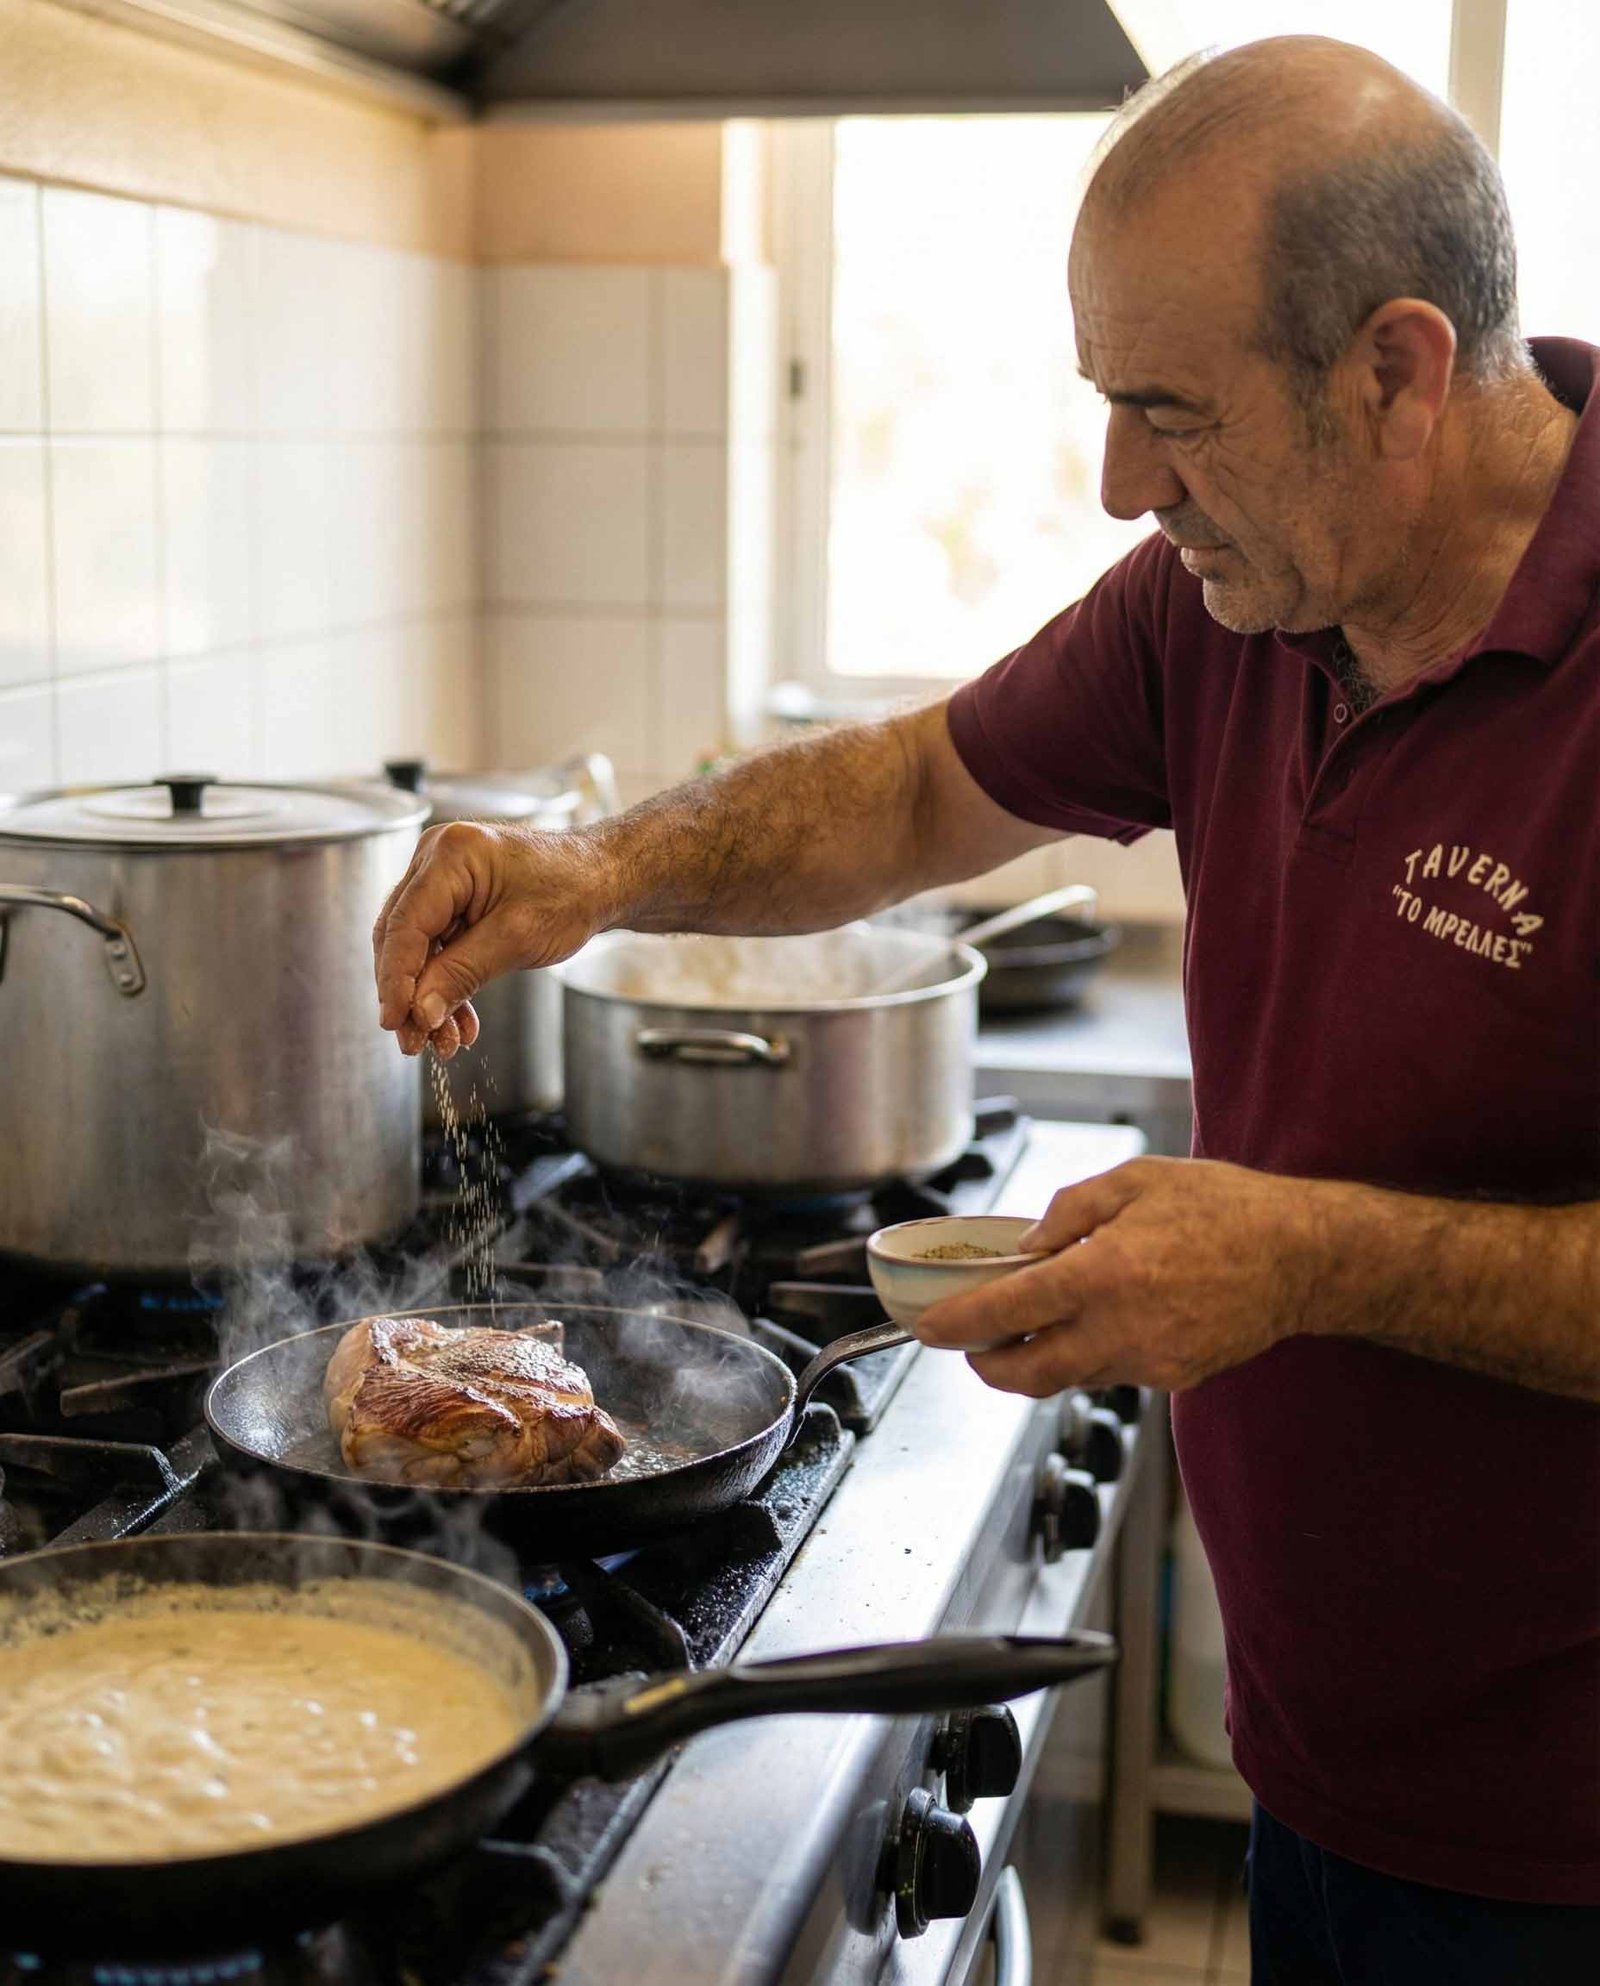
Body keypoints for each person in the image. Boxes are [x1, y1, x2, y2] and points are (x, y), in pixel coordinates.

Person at [373, 36, 1600, 1983]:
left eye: (1166, 415)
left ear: (1392, 374)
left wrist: (1304, 1259)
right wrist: (593, 870)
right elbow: (914, 786)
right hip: (1330, 1755)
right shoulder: (1229, 603)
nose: (1122, 485)